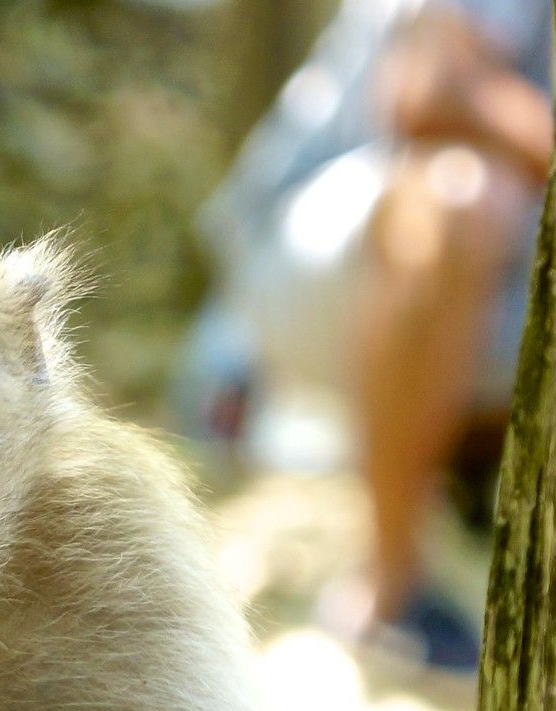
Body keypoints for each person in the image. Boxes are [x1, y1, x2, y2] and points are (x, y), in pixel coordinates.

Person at [202, 0, 553, 672]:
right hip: (315, 258)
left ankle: (470, 485)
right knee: (460, 194)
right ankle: (386, 590)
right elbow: (429, 89)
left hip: (486, 287)